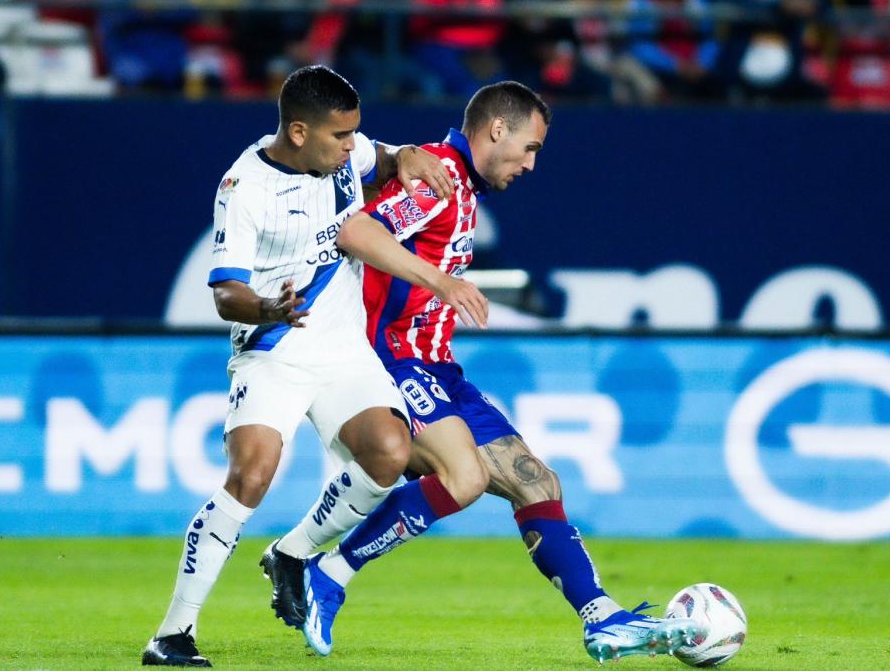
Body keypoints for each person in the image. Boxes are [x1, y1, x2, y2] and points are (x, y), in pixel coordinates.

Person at [266, 80, 704, 663]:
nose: (530, 163)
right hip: (388, 356)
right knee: (464, 477)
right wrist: (441, 281)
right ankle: (331, 572)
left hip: (438, 367)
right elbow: (356, 232)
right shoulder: (439, 178)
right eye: (530, 147)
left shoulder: (459, 186)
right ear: (497, 129)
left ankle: (602, 618)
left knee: (537, 482)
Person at [141, 65, 488, 667]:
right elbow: (226, 294)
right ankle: (173, 634)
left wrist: (405, 154)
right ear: (298, 132)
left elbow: (381, 157)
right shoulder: (244, 187)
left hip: (343, 349)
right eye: (340, 138)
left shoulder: (342, 158)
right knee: (251, 475)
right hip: (274, 348)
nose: (352, 148)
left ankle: (293, 554)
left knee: (388, 451)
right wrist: (266, 307)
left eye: (356, 136)